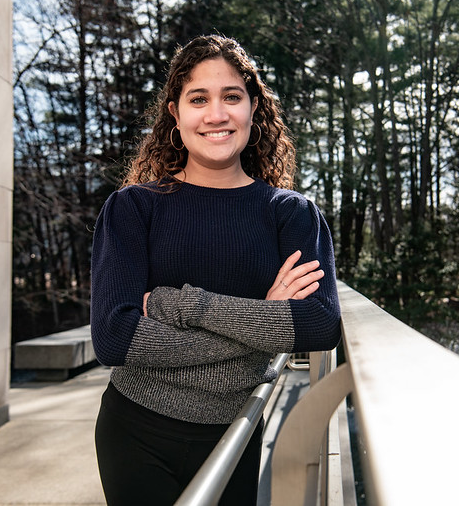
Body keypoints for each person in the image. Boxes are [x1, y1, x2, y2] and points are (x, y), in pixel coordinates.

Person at [89, 34, 341, 505]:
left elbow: (319, 324)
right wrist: (261, 321)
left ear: (252, 108)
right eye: (198, 98)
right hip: (135, 434)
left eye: (232, 97)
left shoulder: (291, 214)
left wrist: (177, 305)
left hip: (235, 434)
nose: (217, 114)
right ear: (175, 113)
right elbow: (114, 336)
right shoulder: (133, 209)